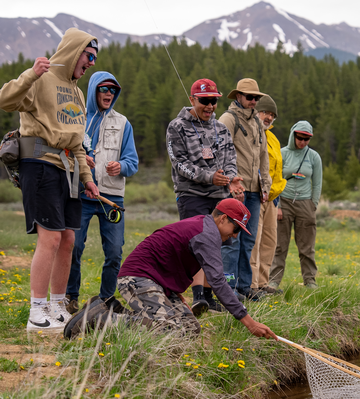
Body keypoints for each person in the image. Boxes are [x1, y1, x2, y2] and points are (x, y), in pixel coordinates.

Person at [0, 28, 100, 333]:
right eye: (89, 56)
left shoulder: (79, 93)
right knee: (51, 237)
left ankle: (57, 307)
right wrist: (30, 74)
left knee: (68, 239)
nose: (91, 63)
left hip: (68, 169)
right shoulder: (41, 78)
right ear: (73, 51)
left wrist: (87, 178)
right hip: (39, 164)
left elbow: (78, 143)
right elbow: (5, 99)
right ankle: (36, 311)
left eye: (94, 58)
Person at [116, 198, 277, 340]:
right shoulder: (206, 234)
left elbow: (170, 257)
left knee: (190, 329)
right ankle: (103, 318)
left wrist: (174, 294)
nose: (235, 235)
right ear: (223, 219)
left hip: (157, 281)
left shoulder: (205, 226)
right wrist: (250, 323)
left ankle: (119, 311)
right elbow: (218, 282)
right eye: (236, 229)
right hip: (136, 278)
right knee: (168, 329)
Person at [166, 78, 244, 315]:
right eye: (205, 101)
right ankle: (196, 295)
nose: (210, 106)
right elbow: (179, 163)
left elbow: (231, 158)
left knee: (217, 245)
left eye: (213, 101)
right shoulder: (176, 126)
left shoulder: (221, 128)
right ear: (192, 100)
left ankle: (209, 297)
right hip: (191, 194)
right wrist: (209, 177)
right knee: (196, 244)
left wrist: (230, 178)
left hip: (220, 195)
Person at [66, 71, 138, 313]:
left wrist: (122, 166)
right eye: (104, 89)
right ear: (93, 90)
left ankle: (106, 300)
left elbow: (133, 162)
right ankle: (70, 297)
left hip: (112, 198)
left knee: (115, 252)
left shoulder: (123, 123)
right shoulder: (77, 118)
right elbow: (63, 151)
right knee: (74, 247)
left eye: (113, 90)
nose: (109, 94)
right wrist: (78, 158)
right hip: (80, 194)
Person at [219, 78, 272, 300]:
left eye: (256, 98)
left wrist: (266, 184)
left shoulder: (257, 123)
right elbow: (219, 151)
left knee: (248, 239)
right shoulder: (228, 119)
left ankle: (244, 287)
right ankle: (228, 288)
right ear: (238, 96)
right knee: (232, 240)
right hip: (236, 190)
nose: (253, 101)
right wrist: (231, 181)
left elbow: (263, 156)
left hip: (254, 190)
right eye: (249, 97)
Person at [269, 121, 322, 289]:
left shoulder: (314, 157)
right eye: (300, 138)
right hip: (283, 202)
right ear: (293, 135)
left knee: (307, 247)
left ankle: (310, 280)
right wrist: (276, 205)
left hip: (305, 203)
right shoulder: (282, 153)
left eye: (307, 139)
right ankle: (274, 280)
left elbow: (317, 183)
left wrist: (313, 204)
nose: (303, 142)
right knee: (279, 245)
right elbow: (275, 179)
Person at [250, 95, 287, 294]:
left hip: (272, 198)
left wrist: (277, 199)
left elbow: (276, 171)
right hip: (256, 194)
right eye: (265, 112)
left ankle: (264, 283)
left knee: (269, 241)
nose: (269, 117)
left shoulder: (272, 138)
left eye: (272, 115)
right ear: (256, 111)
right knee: (254, 241)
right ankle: (252, 284)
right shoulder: (252, 132)